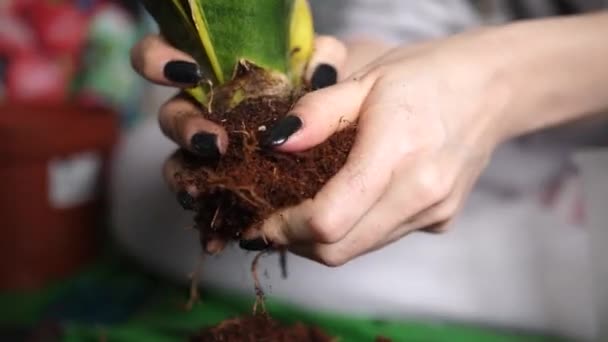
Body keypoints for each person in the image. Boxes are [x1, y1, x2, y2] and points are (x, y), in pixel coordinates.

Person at [116, 0, 608, 339]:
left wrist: (495, 82)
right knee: (135, 178)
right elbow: (404, 23)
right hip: (459, 105)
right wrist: (349, 82)